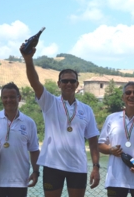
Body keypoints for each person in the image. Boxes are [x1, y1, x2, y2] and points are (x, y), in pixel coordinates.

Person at [20, 46, 100, 197]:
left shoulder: (86, 109)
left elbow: (93, 141)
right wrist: (28, 59)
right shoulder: (50, 103)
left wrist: (96, 167)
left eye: (72, 81)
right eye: (65, 81)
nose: (68, 84)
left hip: (78, 166)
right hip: (52, 165)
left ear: (77, 84)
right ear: (59, 84)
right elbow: (34, 82)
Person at [0, 82, 40, 197]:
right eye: (5, 97)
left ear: (19, 98)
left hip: (19, 180)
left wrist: (36, 172)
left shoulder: (29, 122)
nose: (8, 100)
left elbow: (34, 150)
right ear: (1, 99)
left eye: (12, 97)